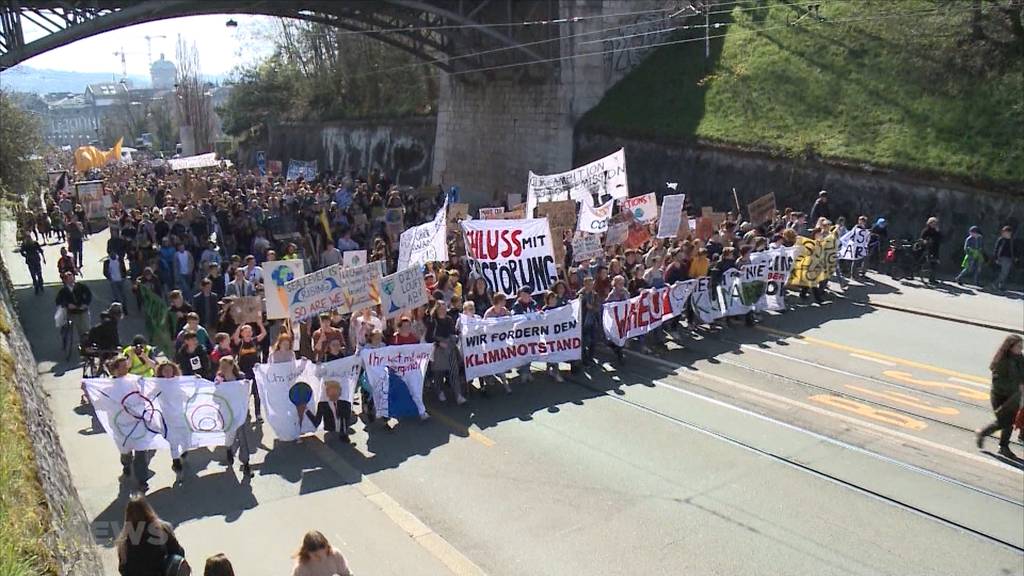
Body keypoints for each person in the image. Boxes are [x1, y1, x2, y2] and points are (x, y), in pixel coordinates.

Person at [976, 334, 1023, 459]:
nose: (1021, 349)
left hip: (1014, 396)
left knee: (1010, 421)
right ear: (1010, 347)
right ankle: (983, 433)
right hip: (1000, 395)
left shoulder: (1020, 358)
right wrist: (1017, 386)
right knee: (1004, 421)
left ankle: (1003, 447)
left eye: (1022, 346)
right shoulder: (1002, 361)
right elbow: (998, 382)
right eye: (1019, 346)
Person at [116, 494, 186, 576]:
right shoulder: (162, 529)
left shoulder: (124, 542)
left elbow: (123, 569)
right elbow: (179, 552)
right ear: (147, 510)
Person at [55, 271, 93, 347]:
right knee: (70, 327)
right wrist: (67, 305)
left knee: (86, 328)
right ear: (65, 281)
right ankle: (65, 340)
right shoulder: (63, 290)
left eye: (72, 278)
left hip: (83, 310)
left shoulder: (81, 286)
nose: (71, 280)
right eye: (69, 279)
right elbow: (58, 301)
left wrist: (85, 304)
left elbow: (89, 295)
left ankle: (85, 344)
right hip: (72, 312)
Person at [920, 217, 943, 283]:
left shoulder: (936, 230)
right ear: (929, 223)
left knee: (934, 264)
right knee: (930, 263)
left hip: (935, 248)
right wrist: (925, 241)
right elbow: (922, 238)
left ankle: (932, 278)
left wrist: (938, 232)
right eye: (933, 223)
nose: (934, 225)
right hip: (928, 248)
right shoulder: (926, 230)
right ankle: (931, 279)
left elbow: (941, 238)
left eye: (935, 223)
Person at [992, 226, 1015, 291]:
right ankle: (995, 284)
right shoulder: (1001, 239)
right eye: (1003, 232)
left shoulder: (1011, 240)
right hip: (1002, 258)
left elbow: (1014, 249)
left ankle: (1000, 285)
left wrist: (1015, 257)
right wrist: (996, 258)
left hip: (1009, 258)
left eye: (1006, 232)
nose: (1004, 233)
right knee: (1004, 273)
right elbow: (996, 249)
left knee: (1006, 273)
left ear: (1009, 233)